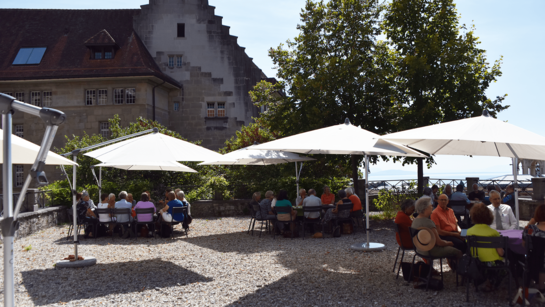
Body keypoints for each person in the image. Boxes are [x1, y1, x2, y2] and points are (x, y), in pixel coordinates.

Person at [466, 202, 506, 291]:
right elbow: (500, 253)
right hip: (493, 263)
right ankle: (493, 283)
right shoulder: (493, 233)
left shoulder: (469, 232)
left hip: (476, 262)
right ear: (489, 216)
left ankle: (485, 282)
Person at [524, 204, 545, 290]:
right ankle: (541, 287)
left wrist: (530, 223)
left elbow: (524, 245)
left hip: (533, 258)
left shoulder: (530, 229)